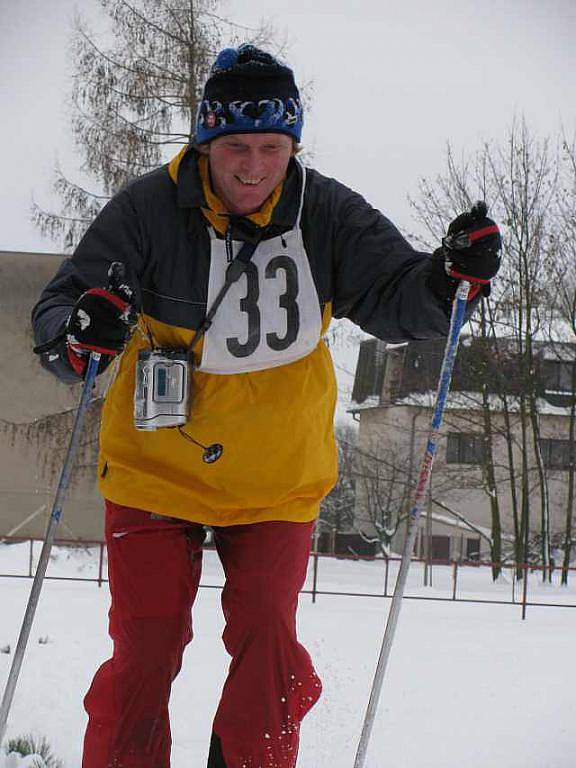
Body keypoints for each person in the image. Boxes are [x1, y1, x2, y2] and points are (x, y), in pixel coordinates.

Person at [32, 44, 501, 768]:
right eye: (236, 148)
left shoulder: (327, 211)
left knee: (266, 646)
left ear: (293, 146)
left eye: (273, 148)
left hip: (276, 476)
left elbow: (398, 294)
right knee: (146, 648)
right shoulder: (149, 209)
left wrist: (448, 280)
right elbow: (63, 306)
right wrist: (79, 333)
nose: (253, 167)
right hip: (157, 469)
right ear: (205, 142)